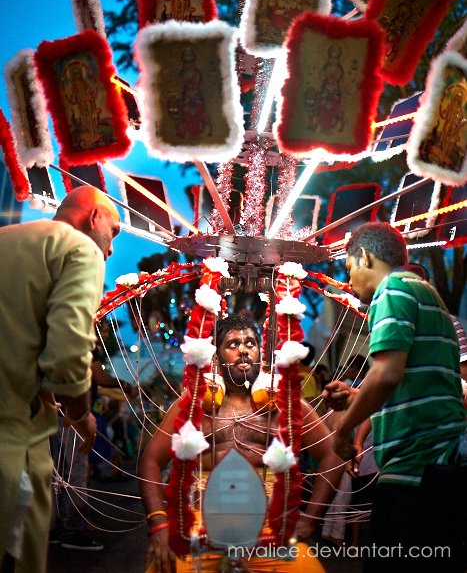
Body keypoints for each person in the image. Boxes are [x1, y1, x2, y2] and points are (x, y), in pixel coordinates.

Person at [138, 314, 345, 573]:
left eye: (250, 343)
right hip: (199, 529)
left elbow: (333, 454)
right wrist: (158, 525)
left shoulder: (285, 404)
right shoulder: (192, 405)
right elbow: (150, 461)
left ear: (260, 354)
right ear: (216, 357)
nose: (244, 350)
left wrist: (312, 518)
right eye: (233, 344)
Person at [324, 222, 466, 573]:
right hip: (440, 468)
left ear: (366, 258)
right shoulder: (429, 296)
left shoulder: (393, 289)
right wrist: (358, 395)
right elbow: (421, 384)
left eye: (348, 268)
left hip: (413, 471)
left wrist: (343, 429)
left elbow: (387, 375)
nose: (349, 281)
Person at [0, 185, 120, 573]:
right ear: (94, 217)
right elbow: (68, 354)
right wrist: (81, 414)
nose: (112, 249)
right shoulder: (78, 248)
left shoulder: (6, 238)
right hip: (12, 440)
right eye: (114, 232)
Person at [50, 329, 138, 551]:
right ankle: (74, 530)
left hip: (52, 410)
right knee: (76, 473)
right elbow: (95, 376)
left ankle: (49, 528)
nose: (104, 332)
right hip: (72, 414)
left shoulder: (55, 335)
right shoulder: (82, 338)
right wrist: (123, 385)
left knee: (53, 472)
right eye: (104, 327)